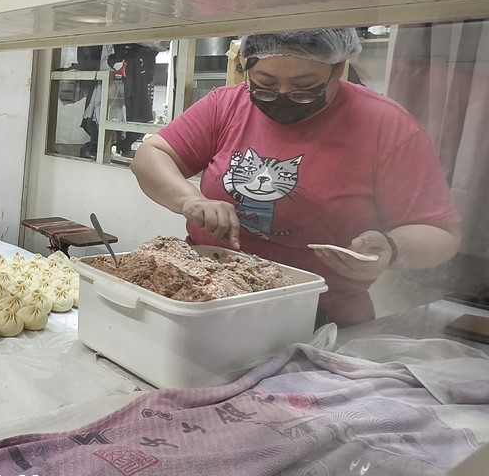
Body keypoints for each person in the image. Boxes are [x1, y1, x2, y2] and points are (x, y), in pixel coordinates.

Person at [132, 28, 462, 326]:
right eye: (265, 84)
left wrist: (392, 247)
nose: (283, 96)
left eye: (304, 87)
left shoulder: (386, 127)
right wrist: (190, 200)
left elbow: (440, 232)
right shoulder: (226, 106)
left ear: (339, 68)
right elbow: (151, 156)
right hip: (206, 298)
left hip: (319, 316)